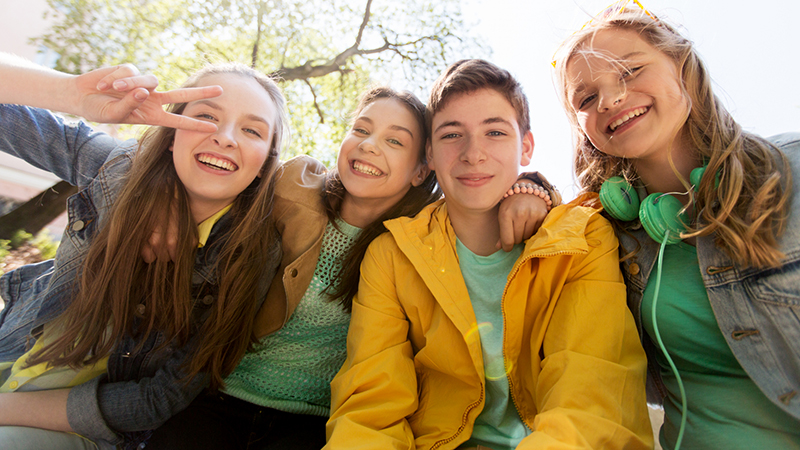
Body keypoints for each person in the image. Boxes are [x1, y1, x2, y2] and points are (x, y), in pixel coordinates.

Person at [144, 83, 556, 449]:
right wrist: (166, 196)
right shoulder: (292, 188)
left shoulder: (414, 243)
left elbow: (481, 194)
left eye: (394, 141)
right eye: (361, 130)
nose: (369, 145)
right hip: (219, 396)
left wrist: (532, 187)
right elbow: (217, 171)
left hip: (316, 422)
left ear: (421, 169)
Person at [325, 59, 652, 450]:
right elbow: (370, 408)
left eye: (495, 132)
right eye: (452, 135)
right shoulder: (392, 255)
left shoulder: (581, 238)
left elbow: (589, 399)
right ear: (429, 154)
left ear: (525, 147)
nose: (473, 153)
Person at [0, 57, 289, 449]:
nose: (224, 137)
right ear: (171, 134)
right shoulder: (116, 169)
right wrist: (72, 95)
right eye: (206, 116)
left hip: (74, 429)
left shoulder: (251, 253)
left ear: (266, 162)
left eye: (252, 130)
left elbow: (159, 397)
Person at [551, 2, 800, 449]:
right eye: (586, 99)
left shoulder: (792, 167)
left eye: (629, 71)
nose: (608, 100)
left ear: (683, 67)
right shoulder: (606, 235)